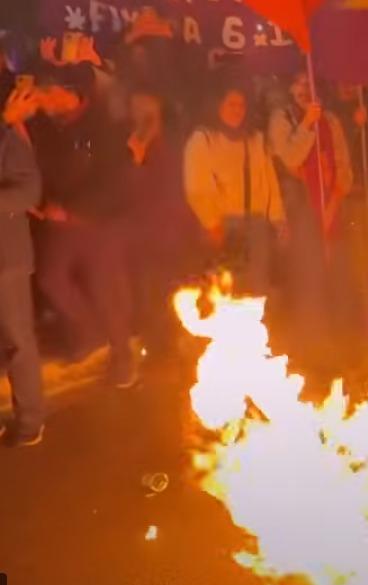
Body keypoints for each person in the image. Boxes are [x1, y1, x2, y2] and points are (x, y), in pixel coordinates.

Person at [28, 65, 137, 387]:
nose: (45, 100)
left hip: (99, 222)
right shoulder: (46, 126)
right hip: (59, 220)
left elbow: (114, 181)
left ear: (72, 94)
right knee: (51, 278)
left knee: (107, 289)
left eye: (50, 93)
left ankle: (122, 355)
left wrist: (72, 211)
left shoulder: (102, 126)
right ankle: (90, 333)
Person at [268, 71, 354, 367]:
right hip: (301, 210)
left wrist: (334, 202)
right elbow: (290, 158)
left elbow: (343, 165)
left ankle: (343, 345)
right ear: (290, 88)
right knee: (309, 279)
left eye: (309, 83)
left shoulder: (330, 120)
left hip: (332, 207)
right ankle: (312, 350)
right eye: (299, 83)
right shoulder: (283, 119)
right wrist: (306, 124)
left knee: (338, 276)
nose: (304, 89)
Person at [119, 85, 200, 361]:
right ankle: (158, 351)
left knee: (174, 290)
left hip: (175, 232)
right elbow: (127, 193)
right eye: (137, 110)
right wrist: (136, 160)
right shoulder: (128, 147)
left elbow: (182, 187)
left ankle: (176, 348)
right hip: (144, 235)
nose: (142, 116)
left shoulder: (174, 144)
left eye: (148, 110)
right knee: (149, 293)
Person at [184, 81, 284, 295]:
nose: (237, 110)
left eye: (241, 105)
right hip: (223, 226)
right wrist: (212, 224)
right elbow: (196, 188)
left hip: (256, 225)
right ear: (218, 105)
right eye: (231, 104)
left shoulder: (256, 139)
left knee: (257, 290)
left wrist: (278, 219)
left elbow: (269, 182)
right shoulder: (203, 139)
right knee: (223, 291)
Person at [0, 88, 45, 446]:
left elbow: (28, 192)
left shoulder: (12, 137)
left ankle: (30, 422)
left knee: (17, 340)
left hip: (6, 258)